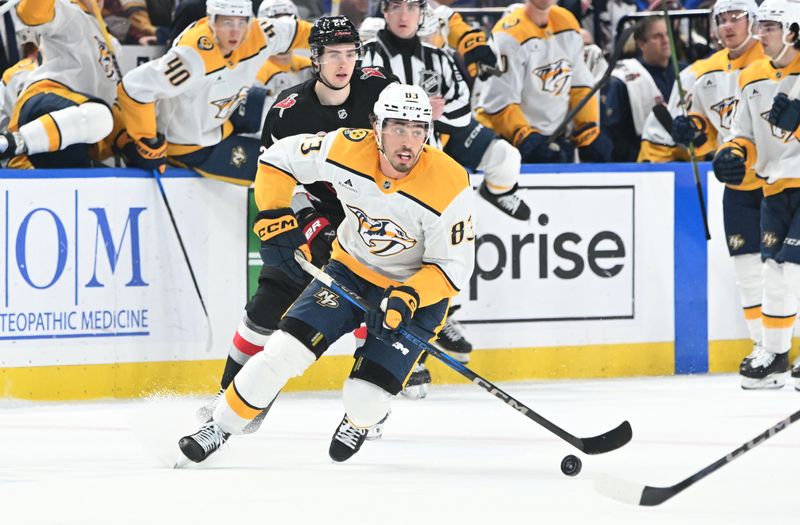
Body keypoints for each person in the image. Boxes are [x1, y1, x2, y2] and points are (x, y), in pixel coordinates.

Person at [177, 83, 476, 464]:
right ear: (376, 127)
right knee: (283, 352)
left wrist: (409, 296)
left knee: (365, 400)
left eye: (418, 130)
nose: (408, 142)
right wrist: (274, 219)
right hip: (349, 272)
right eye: (398, 128)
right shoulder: (345, 148)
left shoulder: (449, 182)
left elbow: (451, 269)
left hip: (413, 295)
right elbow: (277, 159)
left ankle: (361, 419)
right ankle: (218, 427)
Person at [198, 15, 399, 432]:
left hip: (379, 214)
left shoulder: (381, 89)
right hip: (322, 213)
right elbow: (277, 177)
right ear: (315, 59)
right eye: (333, 55)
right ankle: (230, 396)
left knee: (375, 306)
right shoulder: (289, 112)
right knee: (270, 299)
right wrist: (301, 219)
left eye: (350, 54)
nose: (344, 64)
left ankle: (362, 414)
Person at [116, 0, 312, 184]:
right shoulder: (192, 57)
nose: (235, 31)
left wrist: (340, 37)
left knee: (286, 113)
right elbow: (134, 87)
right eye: (227, 22)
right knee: (277, 171)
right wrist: (148, 142)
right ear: (211, 20)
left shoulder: (258, 32)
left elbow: (301, 32)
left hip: (225, 117)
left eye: (241, 22)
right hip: (190, 144)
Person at [712, 0, 800, 389]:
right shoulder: (751, 76)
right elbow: (742, 135)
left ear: (793, 32)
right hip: (774, 186)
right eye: (760, 26)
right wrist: (733, 155)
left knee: (794, 270)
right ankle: (777, 355)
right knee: (772, 271)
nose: (759, 34)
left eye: (769, 27)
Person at [474, 0, 612, 164]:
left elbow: (579, 85)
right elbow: (498, 104)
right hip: (506, 142)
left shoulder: (566, 21)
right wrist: (526, 137)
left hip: (554, 138)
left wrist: (587, 128)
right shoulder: (508, 34)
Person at [0, 0, 123, 169]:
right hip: (44, 109)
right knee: (102, 116)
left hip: (68, 140)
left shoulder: (108, 42)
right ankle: (13, 143)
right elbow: (33, 13)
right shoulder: (70, 13)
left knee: (102, 120)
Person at [604, 16, 676, 162]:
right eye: (657, 36)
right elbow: (615, 131)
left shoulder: (684, 73)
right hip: (640, 160)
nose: (665, 40)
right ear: (642, 44)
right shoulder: (625, 77)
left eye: (667, 34)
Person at [254, 0, 313, 111]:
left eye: (289, 27)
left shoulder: (309, 64)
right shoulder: (256, 71)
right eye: (279, 28)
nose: (285, 35)